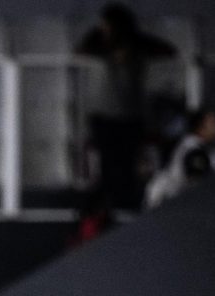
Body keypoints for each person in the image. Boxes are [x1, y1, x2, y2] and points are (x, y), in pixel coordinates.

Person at [76, 3, 175, 208]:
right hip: (104, 115)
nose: (103, 28)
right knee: (106, 163)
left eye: (106, 24)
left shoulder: (137, 45)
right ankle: (105, 205)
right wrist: (103, 38)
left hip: (130, 115)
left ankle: (123, 202)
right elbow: (82, 50)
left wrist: (132, 45)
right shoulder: (98, 45)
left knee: (127, 163)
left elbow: (167, 50)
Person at [145, 109, 215, 209]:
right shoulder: (192, 148)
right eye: (212, 123)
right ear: (201, 126)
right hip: (169, 203)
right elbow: (198, 185)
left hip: (179, 206)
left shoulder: (205, 149)